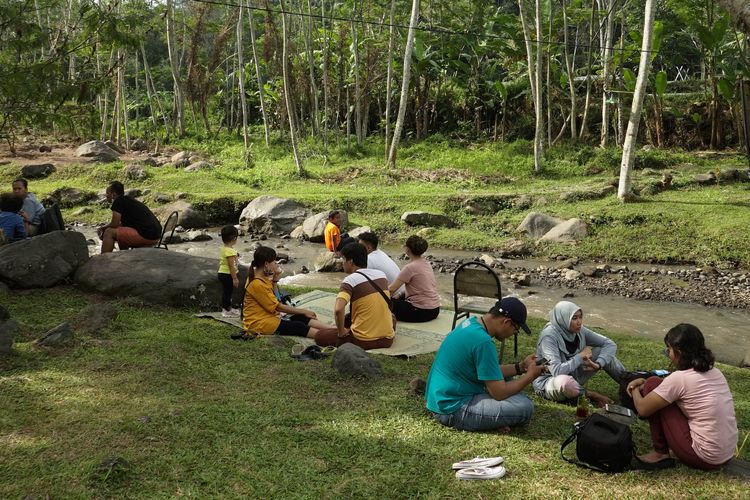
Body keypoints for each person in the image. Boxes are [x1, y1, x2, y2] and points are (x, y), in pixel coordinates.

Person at [627, 324, 738, 470]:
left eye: (669, 350)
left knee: (653, 383)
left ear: (678, 351)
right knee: (659, 387)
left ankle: (660, 452)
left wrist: (634, 387)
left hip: (704, 457)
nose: (668, 353)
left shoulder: (680, 378)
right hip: (726, 454)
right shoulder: (715, 372)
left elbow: (643, 409)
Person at [425, 297, 544, 432]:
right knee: (525, 406)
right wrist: (530, 376)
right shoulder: (483, 342)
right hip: (451, 409)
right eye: (515, 330)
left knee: (507, 381)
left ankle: (493, 419)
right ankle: (492, 420)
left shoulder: (470, 323)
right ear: (507, 322)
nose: (513, 334)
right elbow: (499, 393)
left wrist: (521, 367)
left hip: (439, 398)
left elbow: (489, 370)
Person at [534, 301, 625, 406]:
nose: (579, 322)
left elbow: (609, 344)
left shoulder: (580, 331)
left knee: (603, 353)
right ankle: (591, 395)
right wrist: (580, 356)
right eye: (574, 318)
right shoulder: (549, 337)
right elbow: (557, 371)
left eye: (580, 317)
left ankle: (630, 386)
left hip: (573, 374)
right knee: (566, 383)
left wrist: (599, 364)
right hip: (550, 382)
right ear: (562, 318)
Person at [316, 242, 395, 350]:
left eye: (343, 259)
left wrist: (341, 333)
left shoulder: (350, 280)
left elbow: (338, 309)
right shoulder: (381, 274)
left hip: (362, 341)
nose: (342, 263)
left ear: (351, 261)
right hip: (387, 340)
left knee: (320, 335)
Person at [242, 246, 330, 338]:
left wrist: (275, 279)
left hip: (270, 317)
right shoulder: (257, 283)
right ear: (266, 264)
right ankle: (328, 337)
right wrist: (304, 311)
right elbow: (278, 307)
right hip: (258, 323)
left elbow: (277, 299)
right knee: (298, 326)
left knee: (299, 317)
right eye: (274, 261)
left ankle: (331, 328)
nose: (276, 263)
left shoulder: (262, 277)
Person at [388, 235, 440, 323]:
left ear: (407, 249)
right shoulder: (427, 264)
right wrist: (400, 294)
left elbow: (391, 290)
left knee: (384, 302)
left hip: (420, 312)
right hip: (435, 310)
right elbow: (420, 288)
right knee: (397, 299)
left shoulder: (409, 268)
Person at [98, 181, 162, 253]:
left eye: (107, 193)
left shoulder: (118, 201)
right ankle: (124, 255)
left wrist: (102, 228)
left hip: (147, 235)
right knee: (119, 230)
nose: (106, 196)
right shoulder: (128, 200)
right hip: (155, 235)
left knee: (109, 232)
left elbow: (114, 224)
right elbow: (120, 224)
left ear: (113, 194)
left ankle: (103, 259)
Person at [218, 225, 240, 318]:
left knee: (227, 292)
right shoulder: (230, 251)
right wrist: (234, 278)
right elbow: (231, 266)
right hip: (227, 274)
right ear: (234, 238)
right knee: (227, 293)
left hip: (223, 273)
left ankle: (229, 308)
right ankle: (226, 310)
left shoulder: (225, 249)